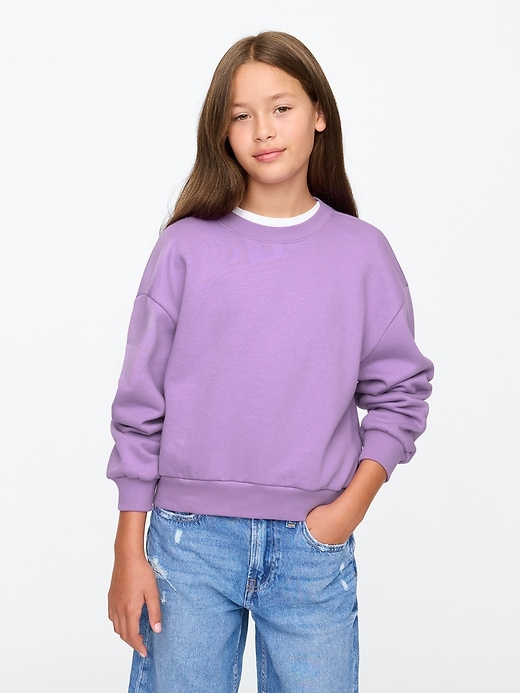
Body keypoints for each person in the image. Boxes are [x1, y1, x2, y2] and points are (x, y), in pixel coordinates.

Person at [107, 30, 434, 693]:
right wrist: (127, 547)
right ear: (222, 132)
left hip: (313, 547)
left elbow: (401, 394)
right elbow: (140, 403)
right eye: (241, 115)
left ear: (319, 113)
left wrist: (347, 510)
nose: (262, 130)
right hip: (189, 544)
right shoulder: (185, 248)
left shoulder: (362, 253)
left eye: (281, 108)